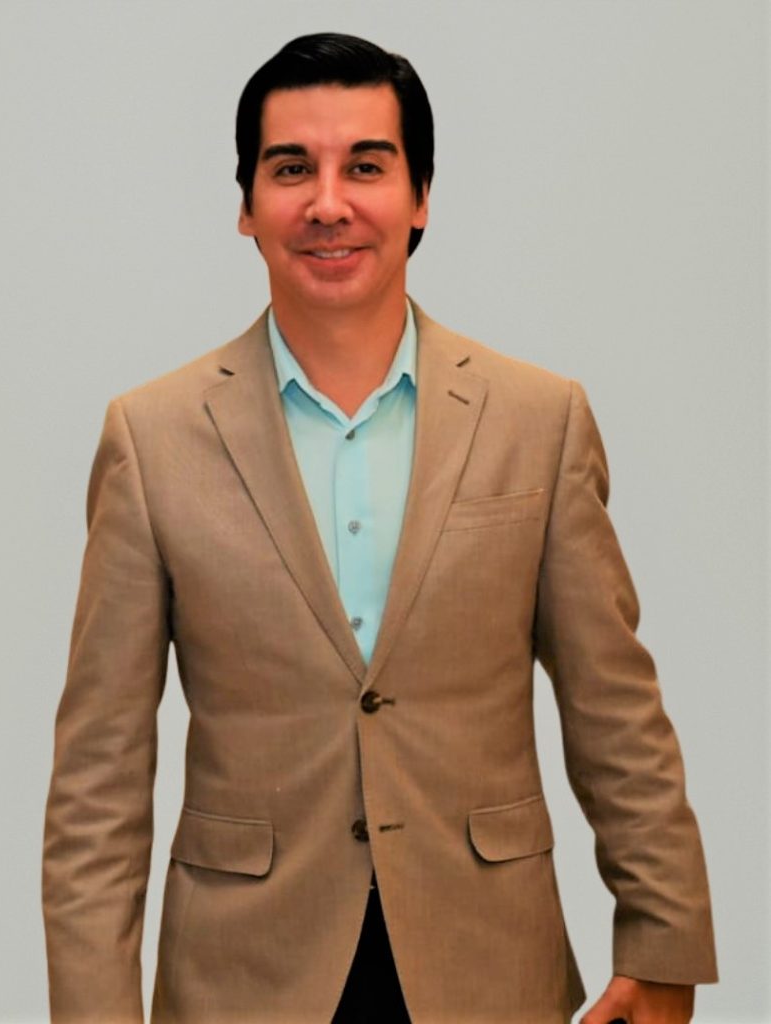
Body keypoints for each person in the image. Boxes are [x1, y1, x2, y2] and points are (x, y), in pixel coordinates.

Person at [42, 32, 718, 1024]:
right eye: (290, 169)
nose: (328, 203)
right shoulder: (151, 440)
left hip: (487, 968)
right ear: (246, 205)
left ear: (420, 196)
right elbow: (97, 778)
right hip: (243, 980)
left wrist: (663, 945)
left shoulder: (538, 421)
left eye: (365, 166)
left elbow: (615, 711)